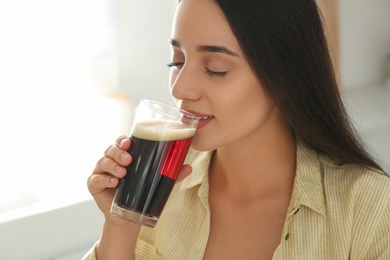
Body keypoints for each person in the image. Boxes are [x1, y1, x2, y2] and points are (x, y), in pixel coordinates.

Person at [83, 0, 390, 259]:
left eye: (216, 69)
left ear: (284, 77)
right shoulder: (156, 192)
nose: (181, 88)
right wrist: (120, 229)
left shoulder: (371, 210)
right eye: (176, 62)